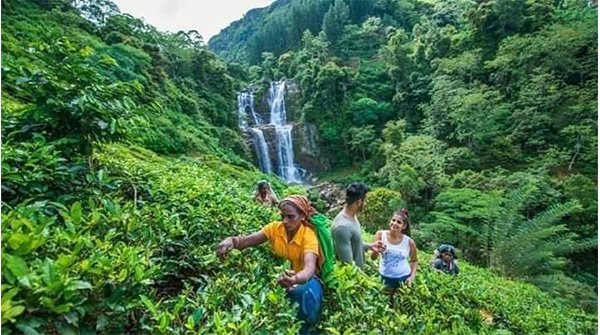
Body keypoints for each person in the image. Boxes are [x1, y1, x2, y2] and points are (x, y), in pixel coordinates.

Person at [216, 195, 323, 334]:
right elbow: (246, 241)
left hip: (305, 282)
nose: (285, 221)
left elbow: (309, 268)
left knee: (305, 309)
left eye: (291, 216)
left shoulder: (308, 236)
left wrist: (295, 279)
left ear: (302, 215)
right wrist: (231, 240)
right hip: (281, 280)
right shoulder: (274, 228)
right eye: (282, 216)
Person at [370, 209, 418, 307]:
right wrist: (376, 250)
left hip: (403, 278)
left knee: (399, 306)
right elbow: (373, 258)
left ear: (404, 226)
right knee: (384, 304)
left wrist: (412, 277)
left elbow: (414, 261)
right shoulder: (380, 235)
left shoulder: (409, 242)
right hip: (385, 277)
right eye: (393, 220)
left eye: (399, 222)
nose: (395, 223)